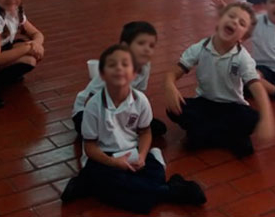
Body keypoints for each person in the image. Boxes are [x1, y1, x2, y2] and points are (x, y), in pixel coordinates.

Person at [60, 44, 206, 214]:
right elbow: (90, 146)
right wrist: (113, 162)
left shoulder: (140, 101)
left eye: (125, 65)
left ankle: (92, 185)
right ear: (102, 75)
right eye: (112, 65)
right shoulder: (93, 106)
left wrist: (142, 156)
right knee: (116, 183)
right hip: (104, 157)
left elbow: (145, 132)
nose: (119, 69)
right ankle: (168, 191)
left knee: (152, 173)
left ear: (134, 74)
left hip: (131, 153)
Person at [165, 2, 275, 157]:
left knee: (252, 118)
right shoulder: (200, 47)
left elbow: (257, 87)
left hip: (233, 107)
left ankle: (205, 135)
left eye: (242, 23)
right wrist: (169, 86)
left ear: (242, 38)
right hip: (205, 103)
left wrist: (267, 117)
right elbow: (173, 73)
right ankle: (228, 136)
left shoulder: (243, 58)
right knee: (173, 108)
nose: (235, 22)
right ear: (219, 21)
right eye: (231, 16)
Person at [72, 21, 166, 137]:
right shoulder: (114, 68)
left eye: (151, 46)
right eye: (141, 43)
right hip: (88, 111)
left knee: (158, 128)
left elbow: (139, 94)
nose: (147, 49)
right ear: (125, 47)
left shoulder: (145, 66)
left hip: (120, 111)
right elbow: (90, 102)